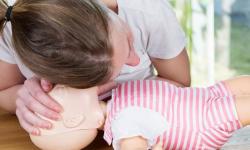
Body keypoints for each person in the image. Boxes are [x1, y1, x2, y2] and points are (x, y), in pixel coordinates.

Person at [0, 0, 190, 135]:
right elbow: (4, 91)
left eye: (129, 41)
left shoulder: (148, 12)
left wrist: (117, 107)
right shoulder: (16, 26)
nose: (134, 61)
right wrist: (22, 97)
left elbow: (181, 84)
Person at [31, 76, 250, 150]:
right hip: (202, 123)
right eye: (57, 93)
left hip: (201, 96)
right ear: (74, 119)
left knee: (243, 84)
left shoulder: (114, 97)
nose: (55, 85)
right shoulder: (122, 125)